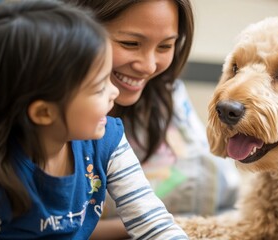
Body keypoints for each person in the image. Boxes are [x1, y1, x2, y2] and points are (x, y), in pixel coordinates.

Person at [0, 1, 188, 239]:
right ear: (44, 112)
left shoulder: (109, 140)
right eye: (99, 88)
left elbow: (153, 223)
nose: (114, 93)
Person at [62, 0, 240, 239]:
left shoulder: (164, 97)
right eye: (130, 43)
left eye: (165, 46)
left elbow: (157, 220)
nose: (148, 66)